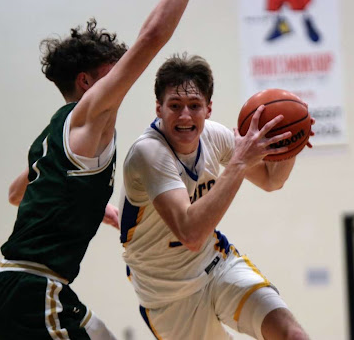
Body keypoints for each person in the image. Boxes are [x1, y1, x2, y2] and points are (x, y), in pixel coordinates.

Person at [0, 0, 190, 339]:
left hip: (24, 285)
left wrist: (94, 207)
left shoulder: (54, 134)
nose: (120, 81)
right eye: (112, 75)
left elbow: (16, 193)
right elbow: (152, 36)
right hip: (32, 289)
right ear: (86, 82)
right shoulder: (89, 117)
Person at [119, 53, 312, 340]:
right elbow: (191, 234)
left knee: (291, 334)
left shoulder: (215, 136)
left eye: (194, 105)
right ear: (158, 108)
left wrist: (288, 144)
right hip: (167, 295)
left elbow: (272, 180)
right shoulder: (149, 153)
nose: (185, 115)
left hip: (218, 265)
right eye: (175, 106)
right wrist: (239, 164)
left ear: (208, 109)